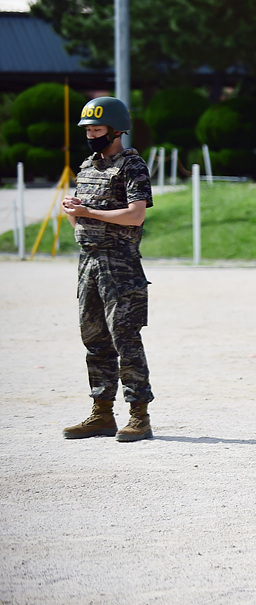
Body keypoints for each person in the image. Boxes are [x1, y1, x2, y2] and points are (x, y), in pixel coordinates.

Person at [61, 96, 154, 443]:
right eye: (87, 130)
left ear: (116, 130)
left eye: (96, 129)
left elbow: (136, 214)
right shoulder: (86, 167)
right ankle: (101, 412)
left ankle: (138, 415)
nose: (90, 135)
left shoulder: (132, 166)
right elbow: (77, 220)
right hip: (88, 262)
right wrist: (73, 209)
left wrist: (89, 213)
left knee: (125, 338)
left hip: (120, 262)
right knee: (94, 338)